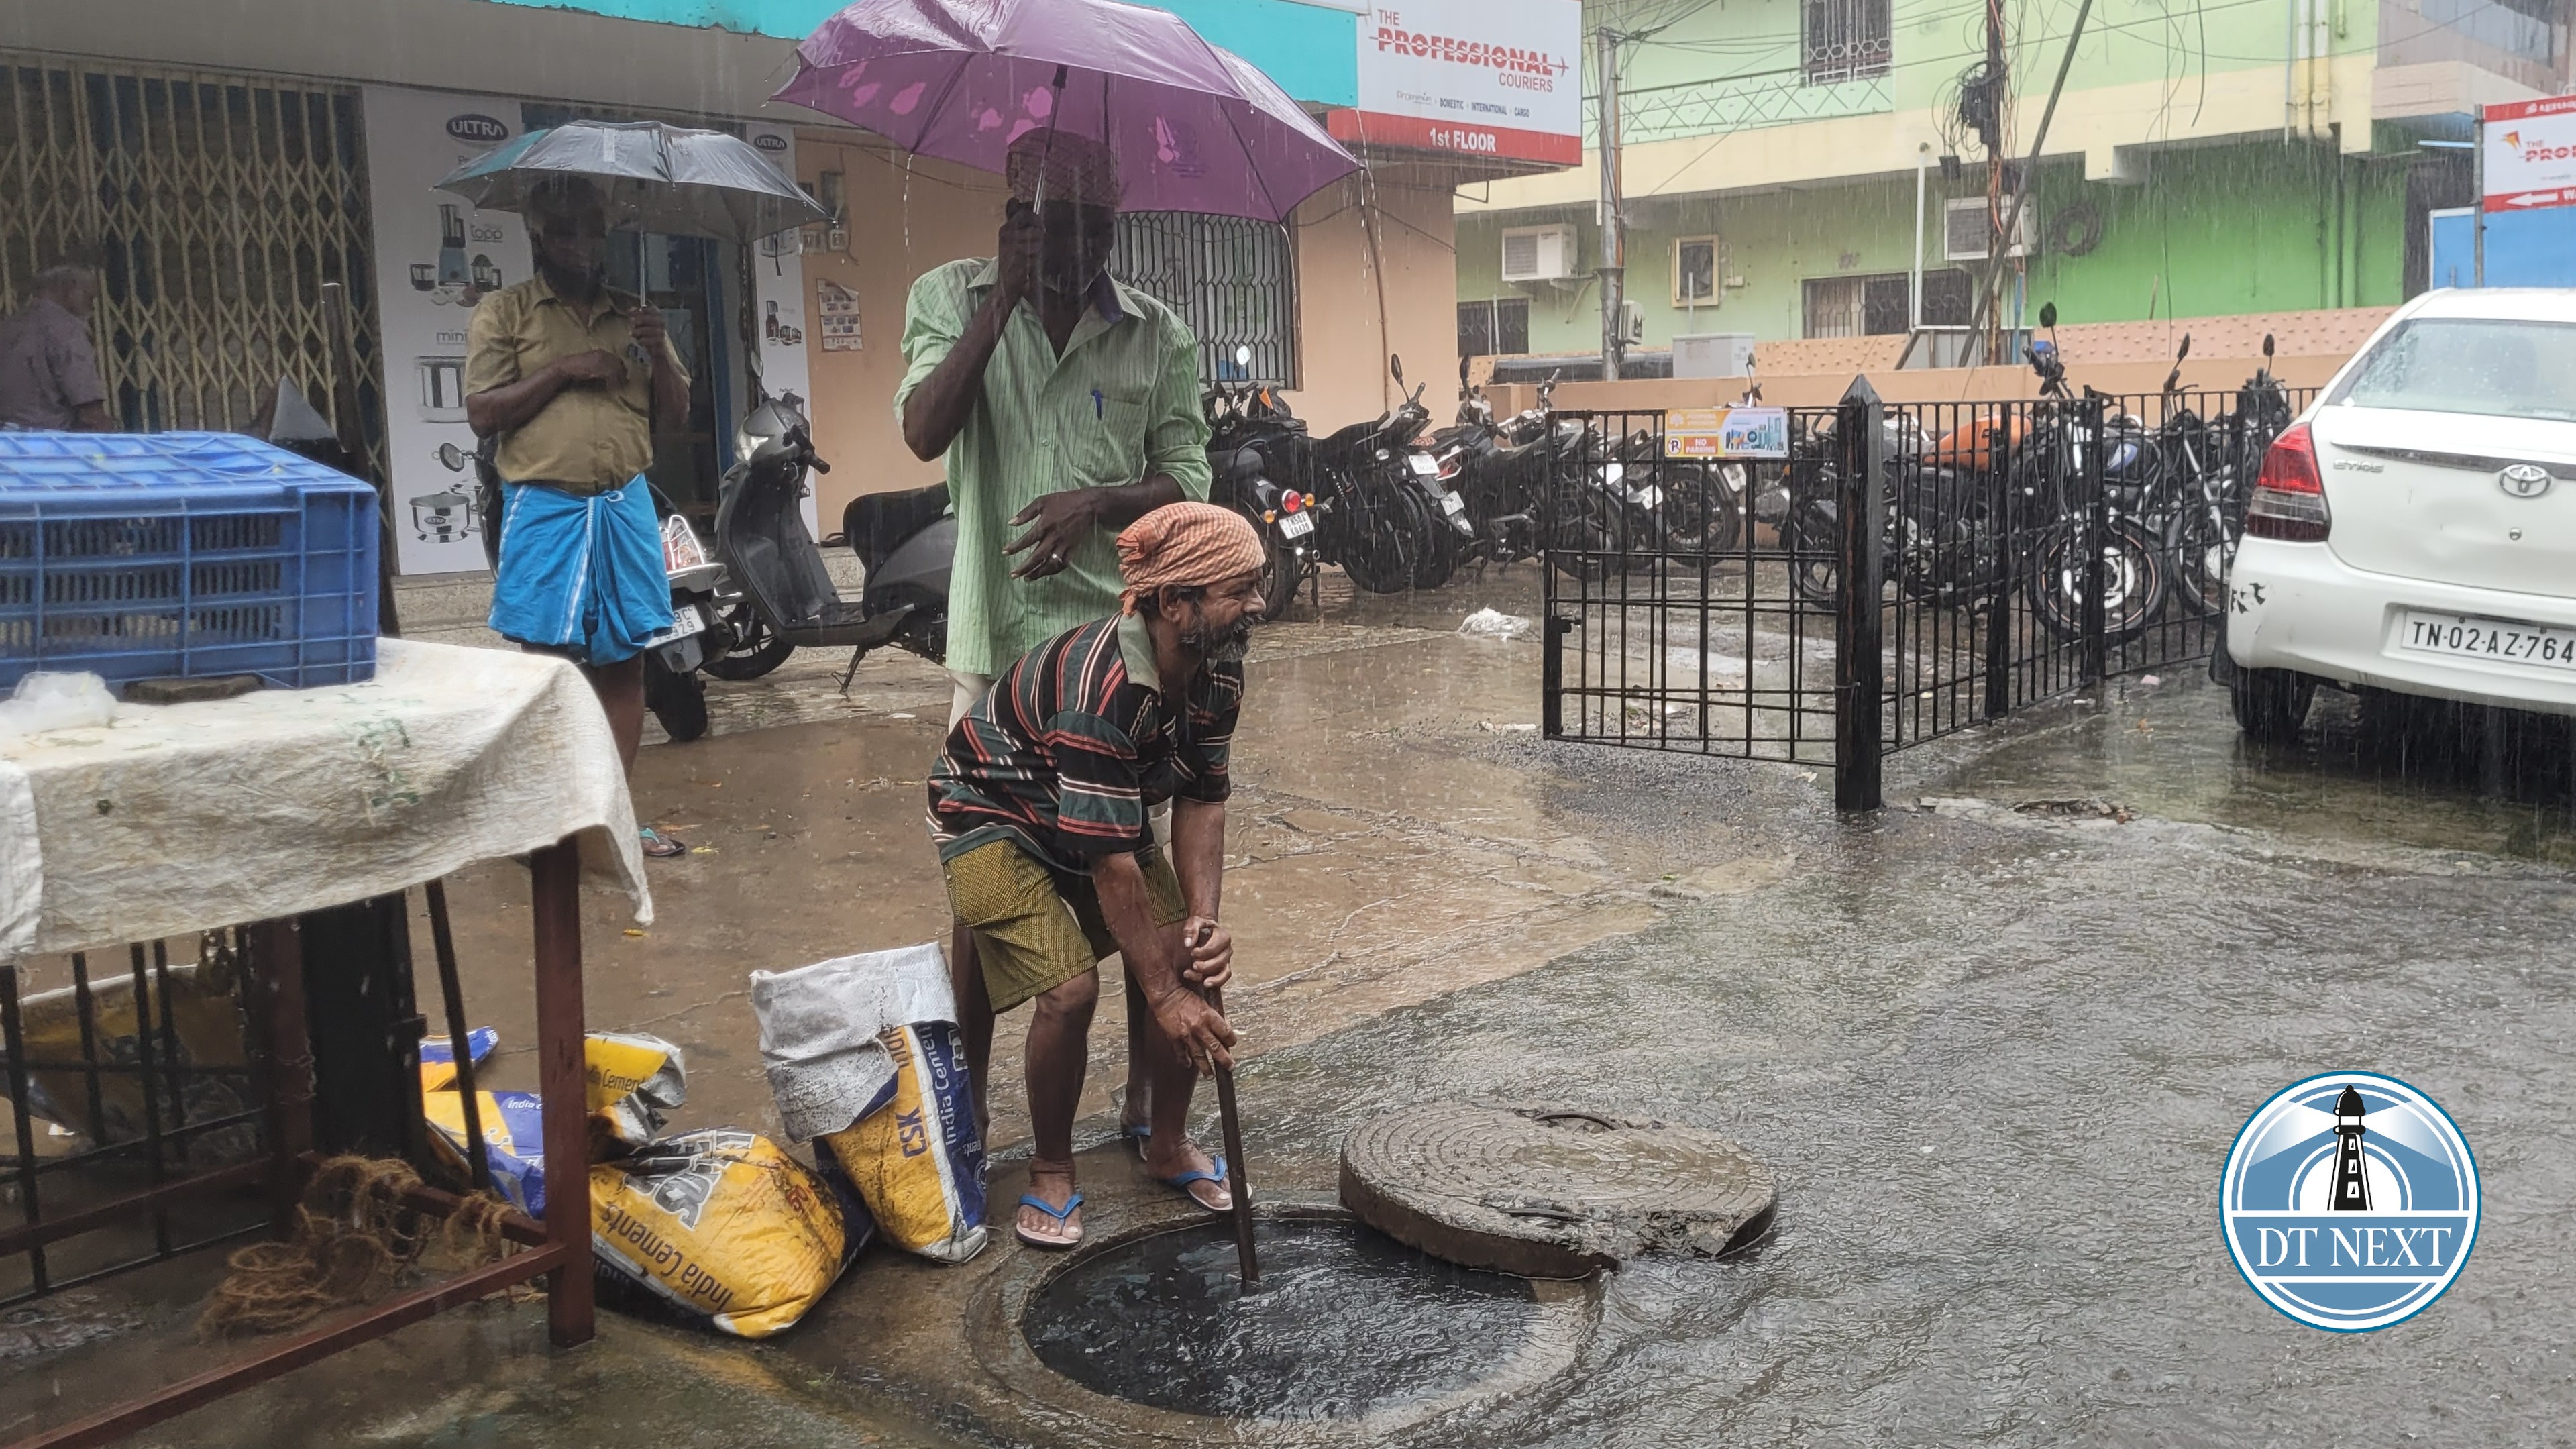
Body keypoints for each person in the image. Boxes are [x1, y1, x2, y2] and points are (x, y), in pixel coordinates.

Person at [894, 128, 1214, 1139]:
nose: (1078, 248)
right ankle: (970, 1111)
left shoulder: (1155, 334)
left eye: (1095, 227)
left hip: (1119, 655)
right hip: (998, 652)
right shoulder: (949, 298)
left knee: (1133, 872)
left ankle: (1136, 1103)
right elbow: (923, 430)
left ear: (1115, 224)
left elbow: (1190, 480)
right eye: (1053, 224)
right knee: (987, 881)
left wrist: (1104, 502)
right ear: (1014, 215)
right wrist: (1002, 299)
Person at [928, 502, 1264, 1250]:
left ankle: (1167, 1142)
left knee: (1192, 961)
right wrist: (1164, 991)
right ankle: (1051, 1167)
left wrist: (1201, 927)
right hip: (994, 813)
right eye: (1238, 589)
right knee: (1071, 991)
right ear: (1173, 603)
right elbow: (1114, 867)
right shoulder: (1101, 690)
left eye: (1257, 584)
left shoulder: (1220, 672)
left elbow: (1204, 799)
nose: (1258, 604)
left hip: (1099, 811)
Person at [464, 178, 693, 858]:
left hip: (624, 507)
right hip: (545, 508)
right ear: (538, 239)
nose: (580, 246)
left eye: (591, 232)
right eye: (564, 232)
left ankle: (611, 818)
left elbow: (676, 416)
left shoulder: (635, 314)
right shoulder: (506, 312)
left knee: (626, 669)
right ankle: (545, 822)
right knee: (548, 672)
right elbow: (481, 412)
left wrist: (657, 351)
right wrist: (562, 370)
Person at [0, 264, 113, 432]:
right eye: (89, 297)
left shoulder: (8, 327)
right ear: (68, 289)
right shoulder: (67, 330)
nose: (92, 307)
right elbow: (89, 410)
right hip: (50, 441)